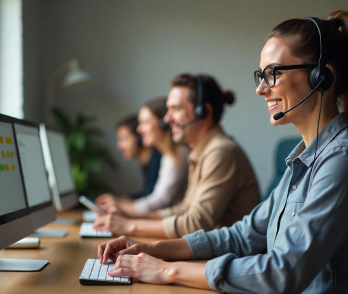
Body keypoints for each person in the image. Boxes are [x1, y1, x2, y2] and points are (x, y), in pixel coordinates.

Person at [97, 10, 348, 294]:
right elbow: (242, 235)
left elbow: (282, 272)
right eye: (260, 75)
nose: (260, 89)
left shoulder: (344, 160)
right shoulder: (302, 161)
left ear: (321, 76)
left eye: (272, 73)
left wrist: (166, 271)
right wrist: (152, 249)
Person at [93, 74, 261, 238]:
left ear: (203, 112)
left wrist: (128, 226)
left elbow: (196, 223)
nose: (167, 119)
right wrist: (131, 217)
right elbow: (184, 209)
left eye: (176, 109)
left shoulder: (220, 152)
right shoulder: (202, 151)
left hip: (234, 258)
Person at [97, 97, 189, 216]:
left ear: (163, 124)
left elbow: (160, 201)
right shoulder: (168, 156)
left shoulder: (177, 154)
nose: (139, 130)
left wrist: (120, 207)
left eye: (145, 122)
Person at [114, 114, 161, 199]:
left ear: (140, 136)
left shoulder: (158, 160)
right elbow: (146, 193)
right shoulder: (147, 162)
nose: (119, 147)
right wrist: (122, 200)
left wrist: (121, 204)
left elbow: (152, 199)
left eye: (123, 139)